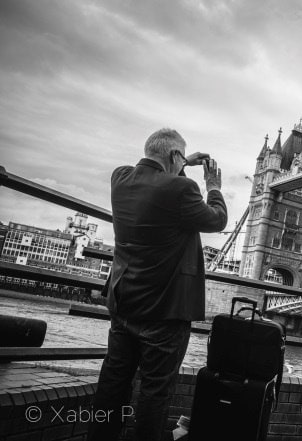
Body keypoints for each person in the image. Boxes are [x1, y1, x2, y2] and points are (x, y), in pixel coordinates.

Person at [87, 128, 227, 441]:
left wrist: (179, 161)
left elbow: (152, 171)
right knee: (154, 392)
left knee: (113, 383)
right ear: (176, 157)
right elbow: (217, 220)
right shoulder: (182, 189)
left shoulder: (119, 178)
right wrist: (213, 187)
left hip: (123, 305)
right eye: (180, 158)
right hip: (164, 312)